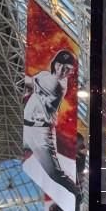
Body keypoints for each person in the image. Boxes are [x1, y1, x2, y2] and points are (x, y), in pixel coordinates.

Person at [23, 50, 80, 203]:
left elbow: (27, 82)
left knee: (54, 174)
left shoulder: (57, 84)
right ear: (55, 63)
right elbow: (31, 87)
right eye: (60, 64)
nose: (61, 69)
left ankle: (77, 195)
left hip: (41, 133)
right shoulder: (44, 76)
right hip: (26, 128)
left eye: (67, 68)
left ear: (71, 71)